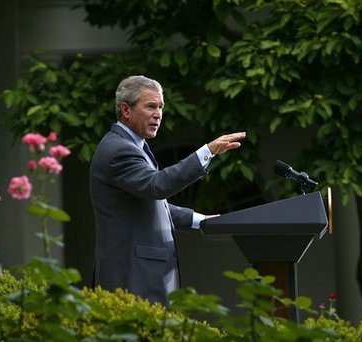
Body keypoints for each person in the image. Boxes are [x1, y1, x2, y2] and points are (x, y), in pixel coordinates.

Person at [89, 75, 246, 306]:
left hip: (142, 277)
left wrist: (199, 220)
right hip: (132, 279)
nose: (158, 114)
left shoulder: (134, 146)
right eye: (151, 106)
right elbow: (157, 186)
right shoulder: (119, 149)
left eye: (161, 107)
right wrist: (207, 151)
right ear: (126, 109)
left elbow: (149, 204)